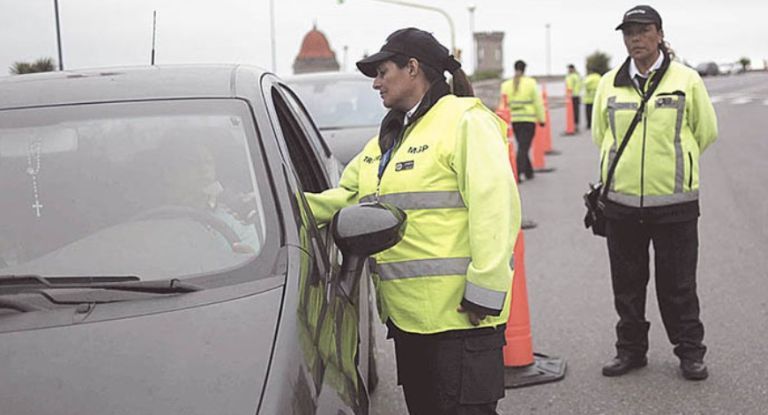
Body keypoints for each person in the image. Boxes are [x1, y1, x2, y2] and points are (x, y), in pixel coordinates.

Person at [305, 27, 520, 414]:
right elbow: (346, 197)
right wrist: (274, 209)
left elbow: (496, 206)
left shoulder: (464, 121)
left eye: (382, 71)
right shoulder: (390, 138)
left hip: (461, 319)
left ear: (413, 68)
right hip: (410, 321)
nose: (375, 83)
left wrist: (485, 290)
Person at [591, 5, 718, 381]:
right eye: (629, 32)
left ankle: (690, 353)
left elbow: (705, 131)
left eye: (643, 30)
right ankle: (630, 351)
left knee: (678, 286)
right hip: (622, 204)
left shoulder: (686, 80)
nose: (635, 39)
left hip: (675, 204)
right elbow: (603, 136)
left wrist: (675, 167)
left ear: (659, 34)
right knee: (627, 286)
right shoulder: (608, 84)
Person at [157, 135, 261, 254]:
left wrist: (248, 256)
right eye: (192, 162)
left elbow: (255, 264)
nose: (204, 169)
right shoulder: (147, 223)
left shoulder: (237, 221)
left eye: (209, 162)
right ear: (168, 173)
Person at [499, 60, 546, 182]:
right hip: (528, 119)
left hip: (514, 120)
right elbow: (538, 102)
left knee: (522, 145)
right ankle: (518, 172)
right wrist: (541, 119)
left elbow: (502, 104)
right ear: (525, 69)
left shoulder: (506, 85)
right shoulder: (531, 83)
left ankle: (529, 172)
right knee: (524, 147)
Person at [565, 64, 583, 132]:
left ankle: (573, 126)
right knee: (576, 111)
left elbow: (569, 86)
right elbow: (581, 85)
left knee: (572, 112)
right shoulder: (577, 76)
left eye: (569, 69)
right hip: (577, 95)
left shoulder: (571, 77)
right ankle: (576, 125)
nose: (568, 70)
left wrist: (568, 94)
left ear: (572, 69)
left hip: (572, 96)